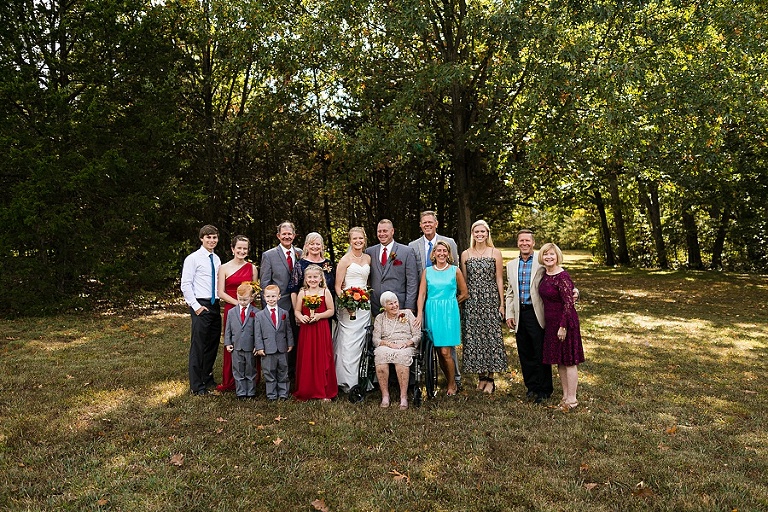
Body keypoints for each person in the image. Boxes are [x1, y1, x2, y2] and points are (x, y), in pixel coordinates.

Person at [505, 229, 579, 404]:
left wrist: (575, 291)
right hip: (519, 313)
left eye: (527, 241)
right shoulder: (511, 265)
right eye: (521, 241)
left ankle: (544, 389)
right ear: (517, 243)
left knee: (540, 351)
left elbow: (560, 277)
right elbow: (510, 291)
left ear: (533, 243)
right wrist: (509, 313)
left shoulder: (542, 260)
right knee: (524, 352)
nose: (524, 243)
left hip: (537, 312)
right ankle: (531, 387)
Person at [409, 210, 461, 389]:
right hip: (428, 303)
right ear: (420, 225)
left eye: (430, 222)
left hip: (447, 306)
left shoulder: (450, 243)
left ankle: (454, 379)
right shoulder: (413, 246)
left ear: (436, 223)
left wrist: (453, 303)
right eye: (424, 222)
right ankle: (427, 377)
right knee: (429, 343)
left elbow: (456, 272)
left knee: (447, 348)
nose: (427, 225)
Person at [460, 220, 507, 394]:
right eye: (476, 232)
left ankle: (490, 378)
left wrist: (501, 303)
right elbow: (464, 281)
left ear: (487, 233)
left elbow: (499, 279)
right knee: (474, 338)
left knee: (491, 337)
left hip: (490, 299)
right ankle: (481, 377)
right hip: (472, 301)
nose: (479, 235)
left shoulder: (495, 252)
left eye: (483, 232)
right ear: (472, 234)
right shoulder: (466, 254)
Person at [416, 240, 469, 396]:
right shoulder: (427, 271)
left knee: (446, 351)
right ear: (434, 254)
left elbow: (465, 293)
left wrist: (452, 303)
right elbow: (422, 294)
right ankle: (448, 378)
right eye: (438, 250)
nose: (441, 253)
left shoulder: (455, 270)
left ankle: (453, 384)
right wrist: (420, 314)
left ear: (448, 253)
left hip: (448, 314)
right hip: (432, 312)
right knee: (438, 351)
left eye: (444, 251)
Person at [538, 243, 585, 411]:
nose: (549, 257)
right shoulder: (545, 274)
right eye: (545, 255)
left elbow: (568, 303)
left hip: (565, 322)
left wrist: (563, 326)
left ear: (557, 256)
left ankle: (572, 399)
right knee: (560, 361)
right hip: (551, 323)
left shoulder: (562, 276)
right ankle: (565, 396)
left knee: (570, 361)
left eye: (552, 254)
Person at [180, 225, 221, 396]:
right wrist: (195, 306)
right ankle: (197, 385)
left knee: (212, 344)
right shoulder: (193, 258)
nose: (212, 240)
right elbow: (186, 284)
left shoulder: (217, 259)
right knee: (198, 345)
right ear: (201, 238)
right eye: (208, 237)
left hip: (214, 304)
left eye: (214, 237)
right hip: (200, 304)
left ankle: (207, 377)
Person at [260, 221, 303, 381]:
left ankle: (295, 373)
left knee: (297, 339)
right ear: (278, 236)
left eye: (289, 234)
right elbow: (265, 284)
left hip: (299, 304)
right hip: (279, 304)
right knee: (282, 340)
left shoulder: (301, 253)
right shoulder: (269, 255)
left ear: (294, 235)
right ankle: (280, 375)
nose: (287, 236)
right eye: (283, 234)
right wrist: (268, 310)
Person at [216, 235, 259, 392]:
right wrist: (239, 304)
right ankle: (231, 380)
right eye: (239, 248)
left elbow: (255, 291)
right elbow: (221, 292)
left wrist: (248, 302)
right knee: (233, 342)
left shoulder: (252, 268)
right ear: (232, 249)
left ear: (248, 251)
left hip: (250, 310)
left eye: (245, 248)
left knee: (251, 340)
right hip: (232, 309)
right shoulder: (224, 268)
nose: (242, 251)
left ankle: (251, 380)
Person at [333, 227, 372, 393]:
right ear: (350, 241)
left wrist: (363, 297)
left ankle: (362, 377)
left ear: (364, 240)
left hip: (364, 305)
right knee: (348, 342)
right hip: (349, 305)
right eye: (355, 239)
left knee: (363, 341)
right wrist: (347, 303)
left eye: (360, 239)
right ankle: (346, 380)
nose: (358, 241)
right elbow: (337, 286)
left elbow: (367, 282)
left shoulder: (368, 258)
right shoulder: (345, 260)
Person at [293, 264, 338, 401]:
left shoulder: (325, 292)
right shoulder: (302, 292)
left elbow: (331, 310)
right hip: (307, 329)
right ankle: (307, 389)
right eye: (309, 277)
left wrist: (319, 316)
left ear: (321, 278)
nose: (312, 280)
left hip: (321, 328)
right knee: (307, 356)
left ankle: (324, 390)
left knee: (322, 356)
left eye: (315, 277)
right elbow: (297, 310)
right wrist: (301, 317)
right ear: (305, 279)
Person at [372, 291, 421, 410]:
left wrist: (406, 343)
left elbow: (417, 335)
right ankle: (385, 395)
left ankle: (403, 397)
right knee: (380, 355)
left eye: (395, 302)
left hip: (405, 345)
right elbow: (375, 339)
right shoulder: (380, 318)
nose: (394, 306)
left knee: (401, 358)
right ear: (384, 307)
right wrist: (389, 344)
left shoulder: (407, 314)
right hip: (387, 345)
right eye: (390, 304)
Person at [365, 219, 419, 315]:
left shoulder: (406, 252)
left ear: (392, 231)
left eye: (385, 231)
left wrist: (409, 307)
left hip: (399, 305)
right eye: (379, 231)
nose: (382, 234)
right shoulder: (370, 252)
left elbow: (412, 281)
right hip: (376, 306)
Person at [254, 284, 294, 401]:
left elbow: (288, 330)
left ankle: (283, 393)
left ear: (279, 297)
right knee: (269, 372)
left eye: (273, 296)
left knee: (283, 371)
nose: (271, 299)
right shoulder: (259, 315)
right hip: (267, 348)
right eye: (268, 297)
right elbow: (258, 333)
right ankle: (271, 394)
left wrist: (290, 343)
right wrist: (259, 347)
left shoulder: (284, 313)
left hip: (282, 347)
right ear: (264, 297)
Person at [223, 282, 259, 399]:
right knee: (238, 370)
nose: (242, 302)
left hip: (250, 346)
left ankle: (251, 392)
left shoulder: (256, 312)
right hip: (236, 346)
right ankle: (241, 392)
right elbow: (227, 329)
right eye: (240, 299)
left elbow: (258, 331)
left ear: (251, 298)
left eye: (245, 299)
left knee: (250, 369)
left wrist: (257, 346)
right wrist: (227, 343)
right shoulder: (231, 312)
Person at [288, 232, 336, 307]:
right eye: (312, 244)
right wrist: (297, 313)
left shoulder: (328, 263)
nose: (315, 246)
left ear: (322, 246)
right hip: (306, 309)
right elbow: (294, 291)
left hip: (327, 308)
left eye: (318, 244)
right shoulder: (300, 265)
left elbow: (334, 285)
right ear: (306, 246)